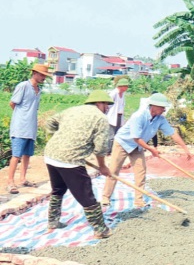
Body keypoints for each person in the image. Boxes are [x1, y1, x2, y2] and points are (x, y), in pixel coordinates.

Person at [44, 90, 113, 239]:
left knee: (58, 189)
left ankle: (53, 222)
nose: (107, 108)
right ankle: (100, 229)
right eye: (106, 104)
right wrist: (102, 166)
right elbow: (101, 148)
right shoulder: (101, 119)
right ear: (98, 103)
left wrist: (53, 138)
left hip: (51, 154)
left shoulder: (72, 110)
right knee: (86, 194)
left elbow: (50, 121)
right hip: (70, 160)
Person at [101, 93, 192, 207]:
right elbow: (136, 137)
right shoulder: (139, 116)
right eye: (162, 107)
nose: (164, 110)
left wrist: (185, 148)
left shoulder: (160, 119)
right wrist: (151, 149)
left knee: (141, 172)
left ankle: (138, 200)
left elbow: (172, 133)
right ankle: (105, 197)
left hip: (138, 146)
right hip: (123, 143)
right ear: (153, 106)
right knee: (114, 170)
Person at [6, 64, 51, 194]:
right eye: (42, 75)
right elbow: (12, 103)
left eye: (45, 75)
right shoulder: (23, 86)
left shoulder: (38, 91)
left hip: (31, 127)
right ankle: (10, 182)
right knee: (16, 155)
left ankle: (23, 178)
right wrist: (21, 117)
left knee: (27, 154)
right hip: (20, 127)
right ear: (34, 73)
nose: (43, 78)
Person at [107, 77, 130, 152]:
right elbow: (108, 105)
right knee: (111, 135)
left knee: (117, 134)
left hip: (119, 116)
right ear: (121, 86)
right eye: (126, 86)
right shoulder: (113, 93)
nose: (127, 88)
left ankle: (114, 149)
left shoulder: (122, 94)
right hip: (112, 116)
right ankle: (108, 150)